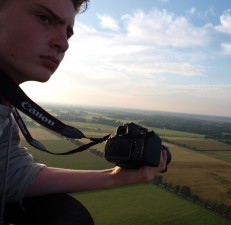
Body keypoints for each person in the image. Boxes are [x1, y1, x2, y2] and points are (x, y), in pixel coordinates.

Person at [0, 0, 168, 224]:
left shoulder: (5, 109)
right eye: (44, 18)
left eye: (68, 34)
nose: (63, 44)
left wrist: (116, 177)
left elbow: (10, 175)